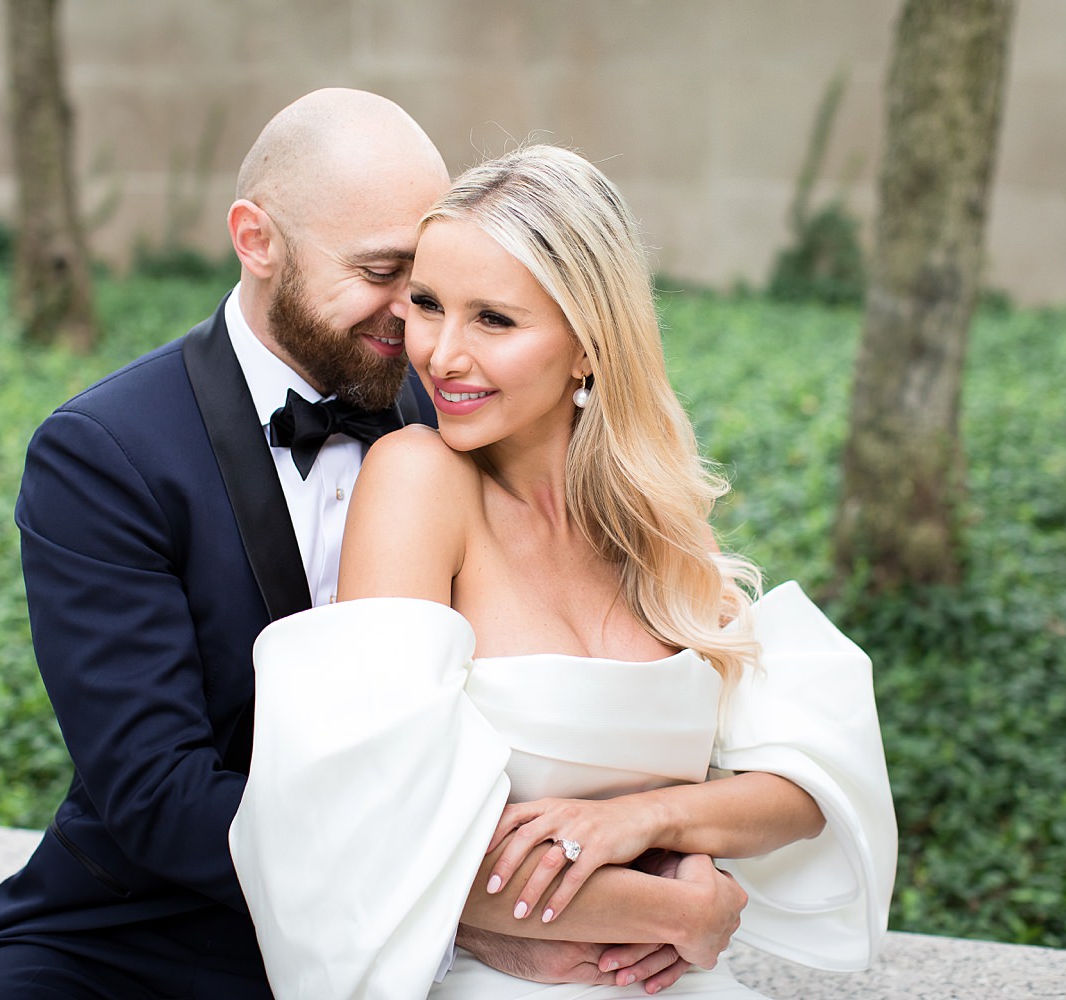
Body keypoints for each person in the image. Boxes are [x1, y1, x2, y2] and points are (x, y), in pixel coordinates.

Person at [0, 90, 676, 1000]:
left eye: (428, 279)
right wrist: (462, 910)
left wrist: (665, 859)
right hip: (158, 924)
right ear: (256, 239)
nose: (417, 321)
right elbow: (158, 794)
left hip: (445, 934)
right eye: (385, 271)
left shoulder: (474, 405)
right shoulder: (105, 453)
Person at [229, 145, 898, 998]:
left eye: (494, 320)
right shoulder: (418, 479)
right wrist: (676, 912)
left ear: (588, 345)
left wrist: (648, 818)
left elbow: (809, 778)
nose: (440, 354)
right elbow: (369, 837)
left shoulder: (651, 521)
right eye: (428, 306)